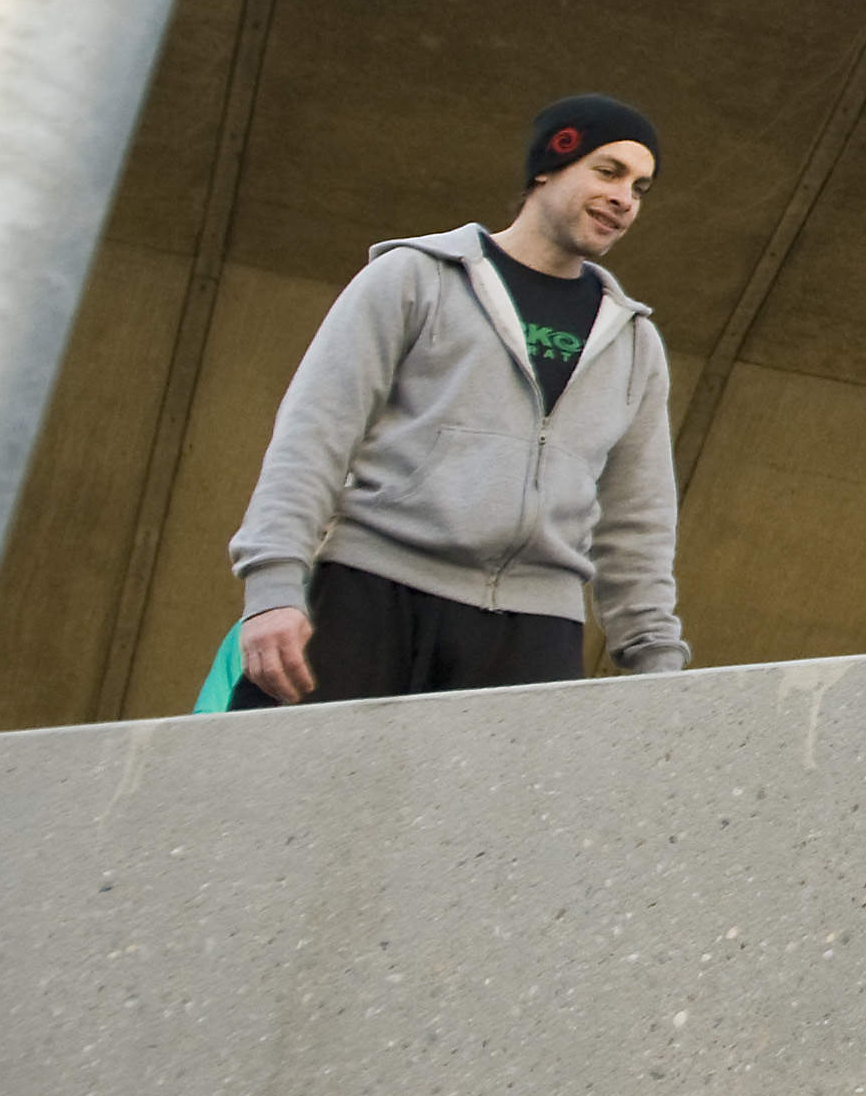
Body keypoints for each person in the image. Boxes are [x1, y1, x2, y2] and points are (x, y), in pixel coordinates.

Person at [224, 94, 687, 708]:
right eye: (608, 172)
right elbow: (315, 433)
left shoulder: (633, 343)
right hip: (372, 592)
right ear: (546, 169)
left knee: (516, 808)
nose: (625, 199)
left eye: (641, 187)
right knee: (291, 797)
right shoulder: (416, 278)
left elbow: (640, 517)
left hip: (534, 630)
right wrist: (274, 588)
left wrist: (657, 660)